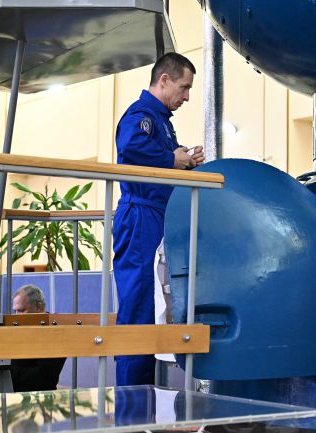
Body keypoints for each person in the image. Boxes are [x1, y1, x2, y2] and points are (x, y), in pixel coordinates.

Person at [113, 52, 204, 386]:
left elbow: (164, 160)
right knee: (138, 308)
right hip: (140, 217)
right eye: (184, 87)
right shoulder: (141, 115)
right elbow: (130, 146)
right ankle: (130, 404)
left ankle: (142, 398)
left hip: (157, 217)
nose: (186, 96)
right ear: (164, 80)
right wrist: (171, 159)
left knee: (152, 309)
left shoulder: (163, 121)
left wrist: (186, 160)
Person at [10, 284, 66, 392]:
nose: (16, 316)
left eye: (21, 310)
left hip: (41, 397)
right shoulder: (21, 329)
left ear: (38, 307)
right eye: (15, 311)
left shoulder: (54, 332)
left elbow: (45, 376)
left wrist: (8, 372)